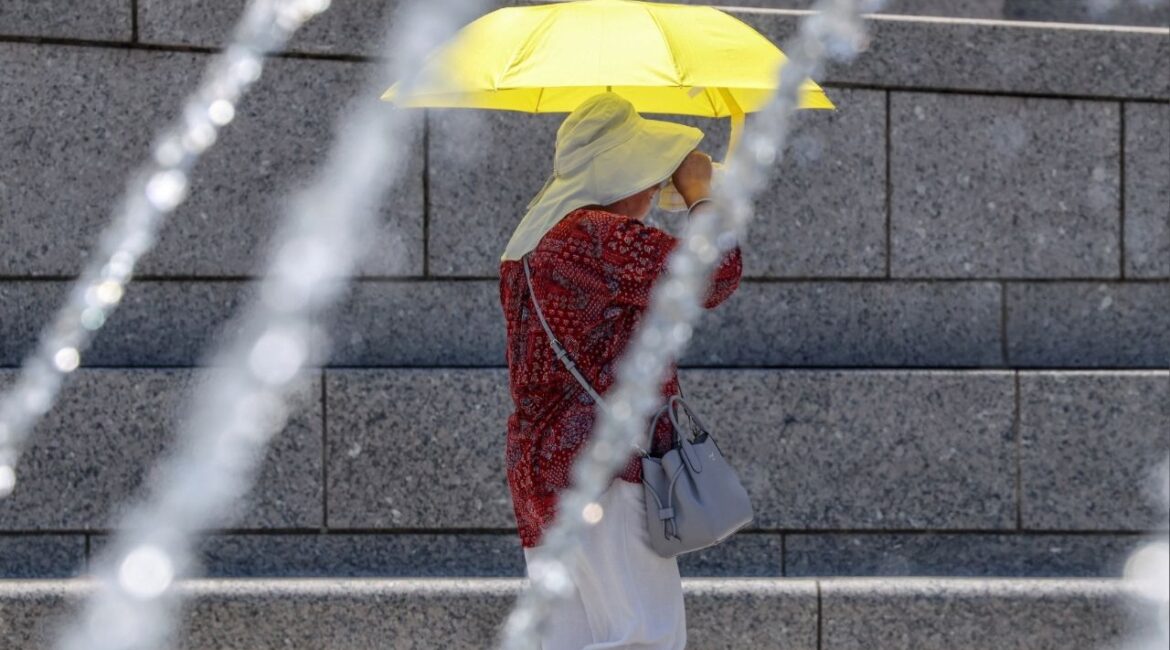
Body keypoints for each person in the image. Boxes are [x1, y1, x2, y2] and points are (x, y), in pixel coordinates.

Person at [497, 92, 743, 649]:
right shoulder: (595, 237)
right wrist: (700, 193)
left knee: (569, 636)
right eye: (649, 173)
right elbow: (717, 272)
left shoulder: (531, 247)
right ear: (622, 171)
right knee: (643, 635)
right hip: (607, 462)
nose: (655, 190)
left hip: (543, 471)